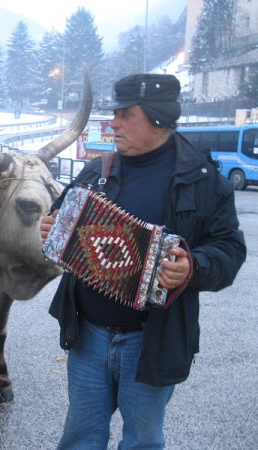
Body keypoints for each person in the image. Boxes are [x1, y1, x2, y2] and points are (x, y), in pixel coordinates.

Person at [41, 73, 246, 449]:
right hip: (88, 334)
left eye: (124, 114)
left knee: (143, 441)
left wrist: (192, 267)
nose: (113, 123)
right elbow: (59, 218)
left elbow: (230, 249)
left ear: (158, 118)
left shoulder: (203, 180)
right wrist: (52, 227)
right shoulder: (95, 172)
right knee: (80, 438)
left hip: (152, 340)